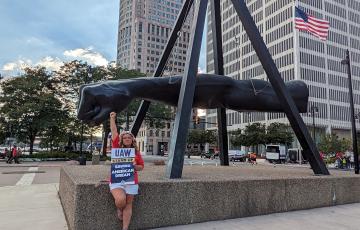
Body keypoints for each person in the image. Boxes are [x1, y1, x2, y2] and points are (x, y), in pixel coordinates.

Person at [109, 111, 144, 230]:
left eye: (129, 137)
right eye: (125, 137)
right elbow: (114, 132)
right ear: (122, 139)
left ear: (132, 140)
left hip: (131, 180)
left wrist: (134, 166)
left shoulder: (136, 153)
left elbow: (141, 167)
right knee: (120, 200)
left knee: (129, 204)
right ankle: (119, 208)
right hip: (117, 180)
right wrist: (112, 119)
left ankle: (125, 228)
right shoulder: (117, 147)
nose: (127, 139)